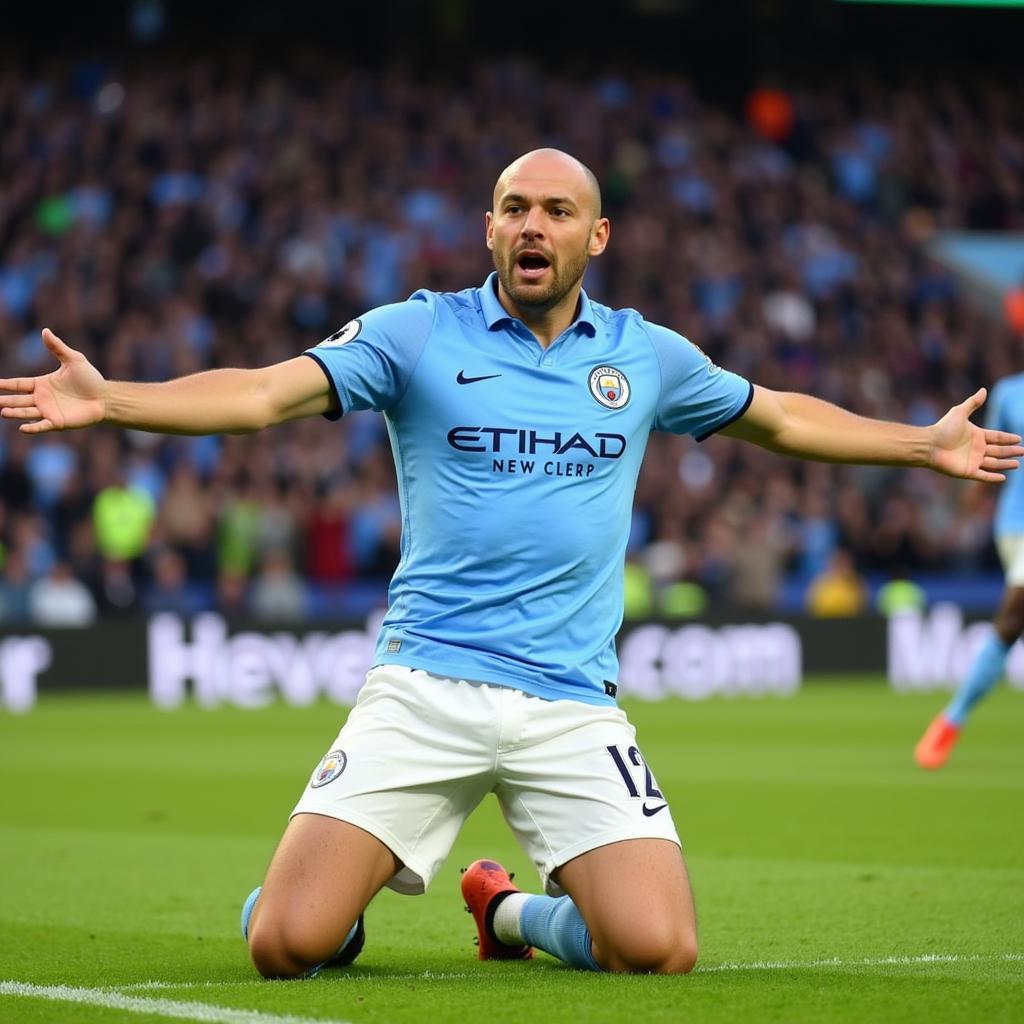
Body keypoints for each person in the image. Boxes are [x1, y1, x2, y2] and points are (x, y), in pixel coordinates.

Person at [1, 149, 1020, 978]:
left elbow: (782, 417)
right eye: (514, 209)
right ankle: (328, 908)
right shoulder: (416, 332)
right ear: (488, 229)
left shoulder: (645, 355)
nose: (534, 226)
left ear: (595, 235)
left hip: (570, 704)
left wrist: (921, 445)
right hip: (425, 685)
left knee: (658, 948)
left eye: (557, 211)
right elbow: (266, 394)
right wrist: (113, 398)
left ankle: (514, 913)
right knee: (285, 946)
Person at [915, 369, 1024, 770]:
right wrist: (966, 508)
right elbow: (986, 451)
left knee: (1013, 626)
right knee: (1013, 618)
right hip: (1018, 524)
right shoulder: (1010, 393)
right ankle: (951, 719)